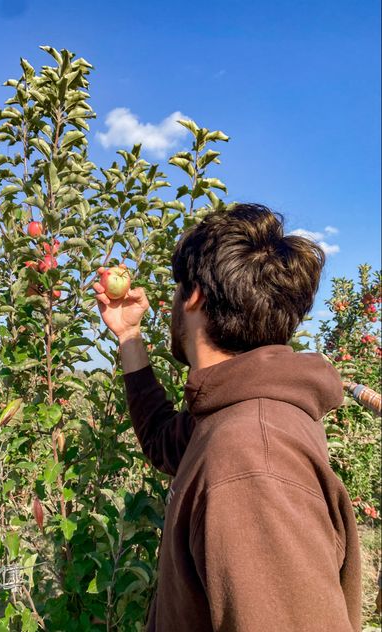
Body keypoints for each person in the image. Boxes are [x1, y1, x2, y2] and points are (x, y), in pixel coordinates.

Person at [93, 204, 361, 632]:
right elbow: (163, 440)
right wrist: (129, 334)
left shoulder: (252, 457)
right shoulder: (238, 411)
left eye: (178, 289)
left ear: (194, 294)